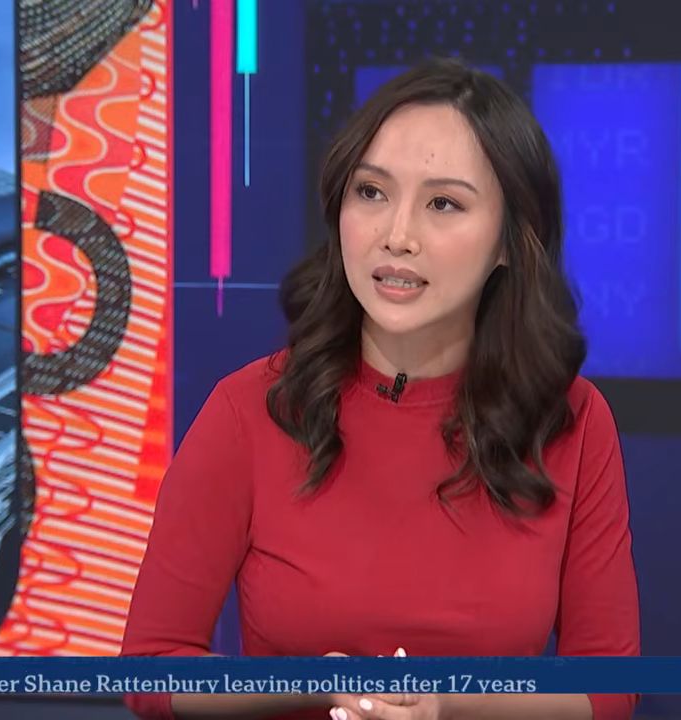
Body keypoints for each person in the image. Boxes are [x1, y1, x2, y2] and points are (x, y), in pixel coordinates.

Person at [121, 57, 640, 720]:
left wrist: (447, 706)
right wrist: (312, 682)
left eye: (443, 204)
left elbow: (608, 687)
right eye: (371, 192)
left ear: (511, 241)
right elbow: (151, 669)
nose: (397, 237)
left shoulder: (572, 421)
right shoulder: (250, 409)